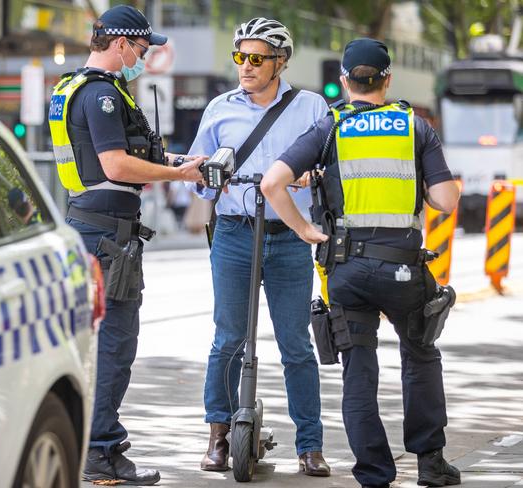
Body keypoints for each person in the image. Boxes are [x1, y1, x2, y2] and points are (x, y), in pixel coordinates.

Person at [262, 38, 461, 488]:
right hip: (404, 269)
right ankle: (430, 462)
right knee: (420, 356)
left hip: (346, 271)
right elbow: (446, 201)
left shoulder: (330, 127)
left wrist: (304, 230)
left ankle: (374, 473)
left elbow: (273, 183)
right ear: (387, 79)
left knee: (359, 369)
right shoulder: (415, 125)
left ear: (344, 81)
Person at [47, 5, 204, 485]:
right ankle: (100, 453)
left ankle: (101, 445)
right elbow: (115, 166)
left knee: (103, 345)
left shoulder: (77, 87)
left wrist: (180, 160)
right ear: (120, 44)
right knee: (116, 344)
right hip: (105, 235)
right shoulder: (102, 97)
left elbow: (126, 157)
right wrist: (176, 174)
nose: (144, 56)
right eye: (141, 47)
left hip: (91, 225)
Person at [188, 17, 331, 477]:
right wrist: (206, 177)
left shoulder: (311, 108)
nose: (245, 67)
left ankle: (310, 445)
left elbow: (332, 166)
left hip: (289, 238)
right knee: (227, 339)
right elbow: (199, 181)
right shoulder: (218, 109)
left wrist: (313, 176)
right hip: (234, 233)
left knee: (296, 345)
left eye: (256, 59)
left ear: (280, 62)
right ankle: (218, 437)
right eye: (239, 57)